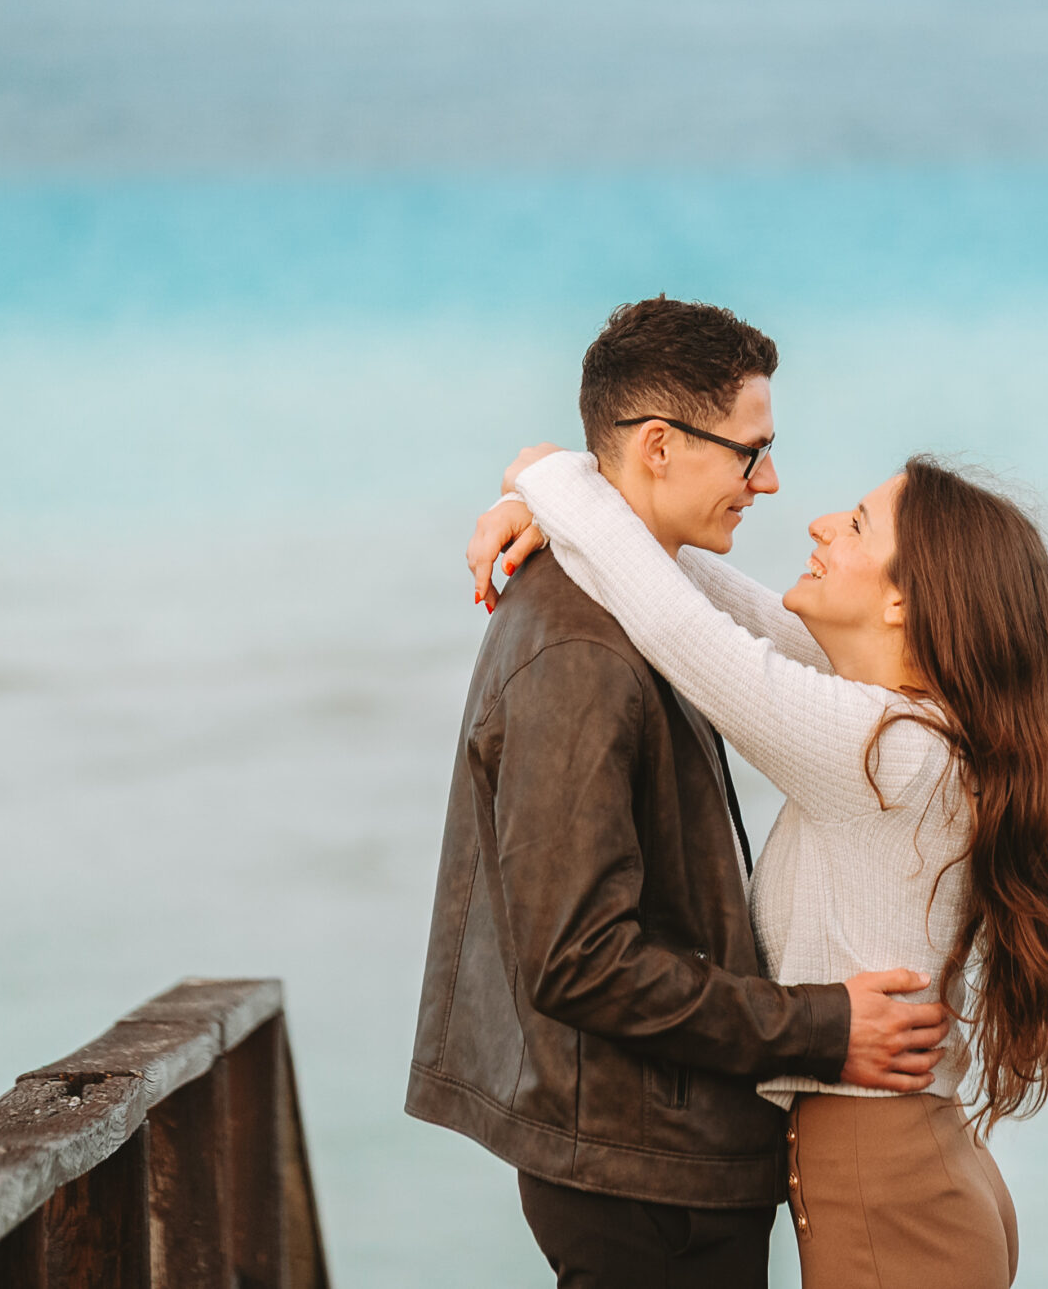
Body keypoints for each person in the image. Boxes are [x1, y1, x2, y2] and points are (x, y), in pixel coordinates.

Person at [463, 396, 1048, 1288]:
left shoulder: (890, 754)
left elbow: (680, 629)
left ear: (900, 602)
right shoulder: (906, 729)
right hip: (897, 1173)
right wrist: (560, 492)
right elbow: (670, 574)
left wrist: (548, 478)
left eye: (854, 524)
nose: (816, 520)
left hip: (888, 1192)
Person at [408, 297, 954, 1289]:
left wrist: (548, 485)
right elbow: (579, 959)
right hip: (642, 1168)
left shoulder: (644, 611)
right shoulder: (582, 650)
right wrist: (824, 1028)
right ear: (659, 446)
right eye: (751, 452)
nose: (773, 482)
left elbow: (692, 605)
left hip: (668, 1150)